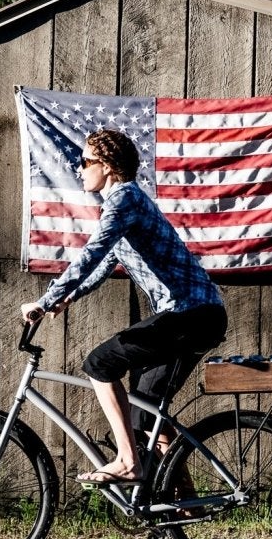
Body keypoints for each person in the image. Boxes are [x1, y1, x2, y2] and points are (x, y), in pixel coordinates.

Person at [19, 128, 227, 485]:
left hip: (190, 314)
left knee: (100, 363)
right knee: (144, 415)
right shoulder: (126, 203)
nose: (78, 167)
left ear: (109, 166)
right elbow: (104, 264)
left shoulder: (124, 199)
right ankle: (186, 501)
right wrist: (69, 297)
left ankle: (129, 462)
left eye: (85, 161)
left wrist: (46, 297)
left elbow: (91, 254)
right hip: (196, 315)